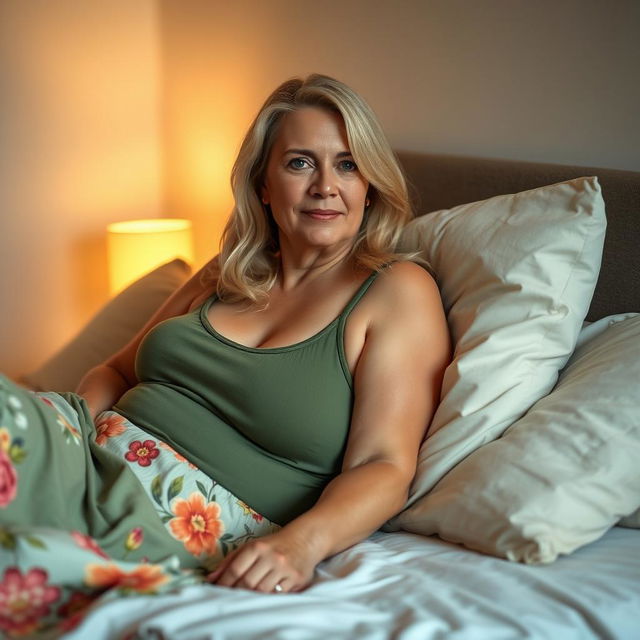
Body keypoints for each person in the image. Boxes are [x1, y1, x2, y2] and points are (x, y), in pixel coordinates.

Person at [0, 73, 449, 614]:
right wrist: (78, 439)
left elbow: (383, 465)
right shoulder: (228, 270)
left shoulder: (396, 291)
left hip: (170, 520)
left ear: (369, 184)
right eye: (300, 162)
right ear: (264, 184)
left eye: (347, 164)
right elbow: (115, 372)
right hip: (76, 448)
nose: (326, 185)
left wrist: (300, 545)